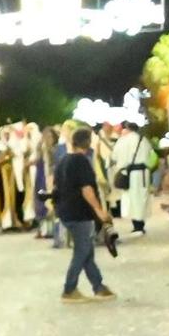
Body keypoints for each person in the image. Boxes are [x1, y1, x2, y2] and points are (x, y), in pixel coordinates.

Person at [56, 127, 118, 303]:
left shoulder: (63, 161)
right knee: (82, 250)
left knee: (87, 251)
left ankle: (99, 286)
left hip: (66, 211)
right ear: (88, 143)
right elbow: (87, 190)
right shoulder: (81, 161)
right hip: (80, 213)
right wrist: (99, 211)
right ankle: (69, 289)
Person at [110, 121, 156, 235]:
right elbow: (150, 154)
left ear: (127, 129)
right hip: (142, 173)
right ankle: (140, 224)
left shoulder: (122, 140)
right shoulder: (143, 140)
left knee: (131, 198)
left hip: (128, 173)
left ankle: (136, 225)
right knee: (141, 197)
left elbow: (114, 156)